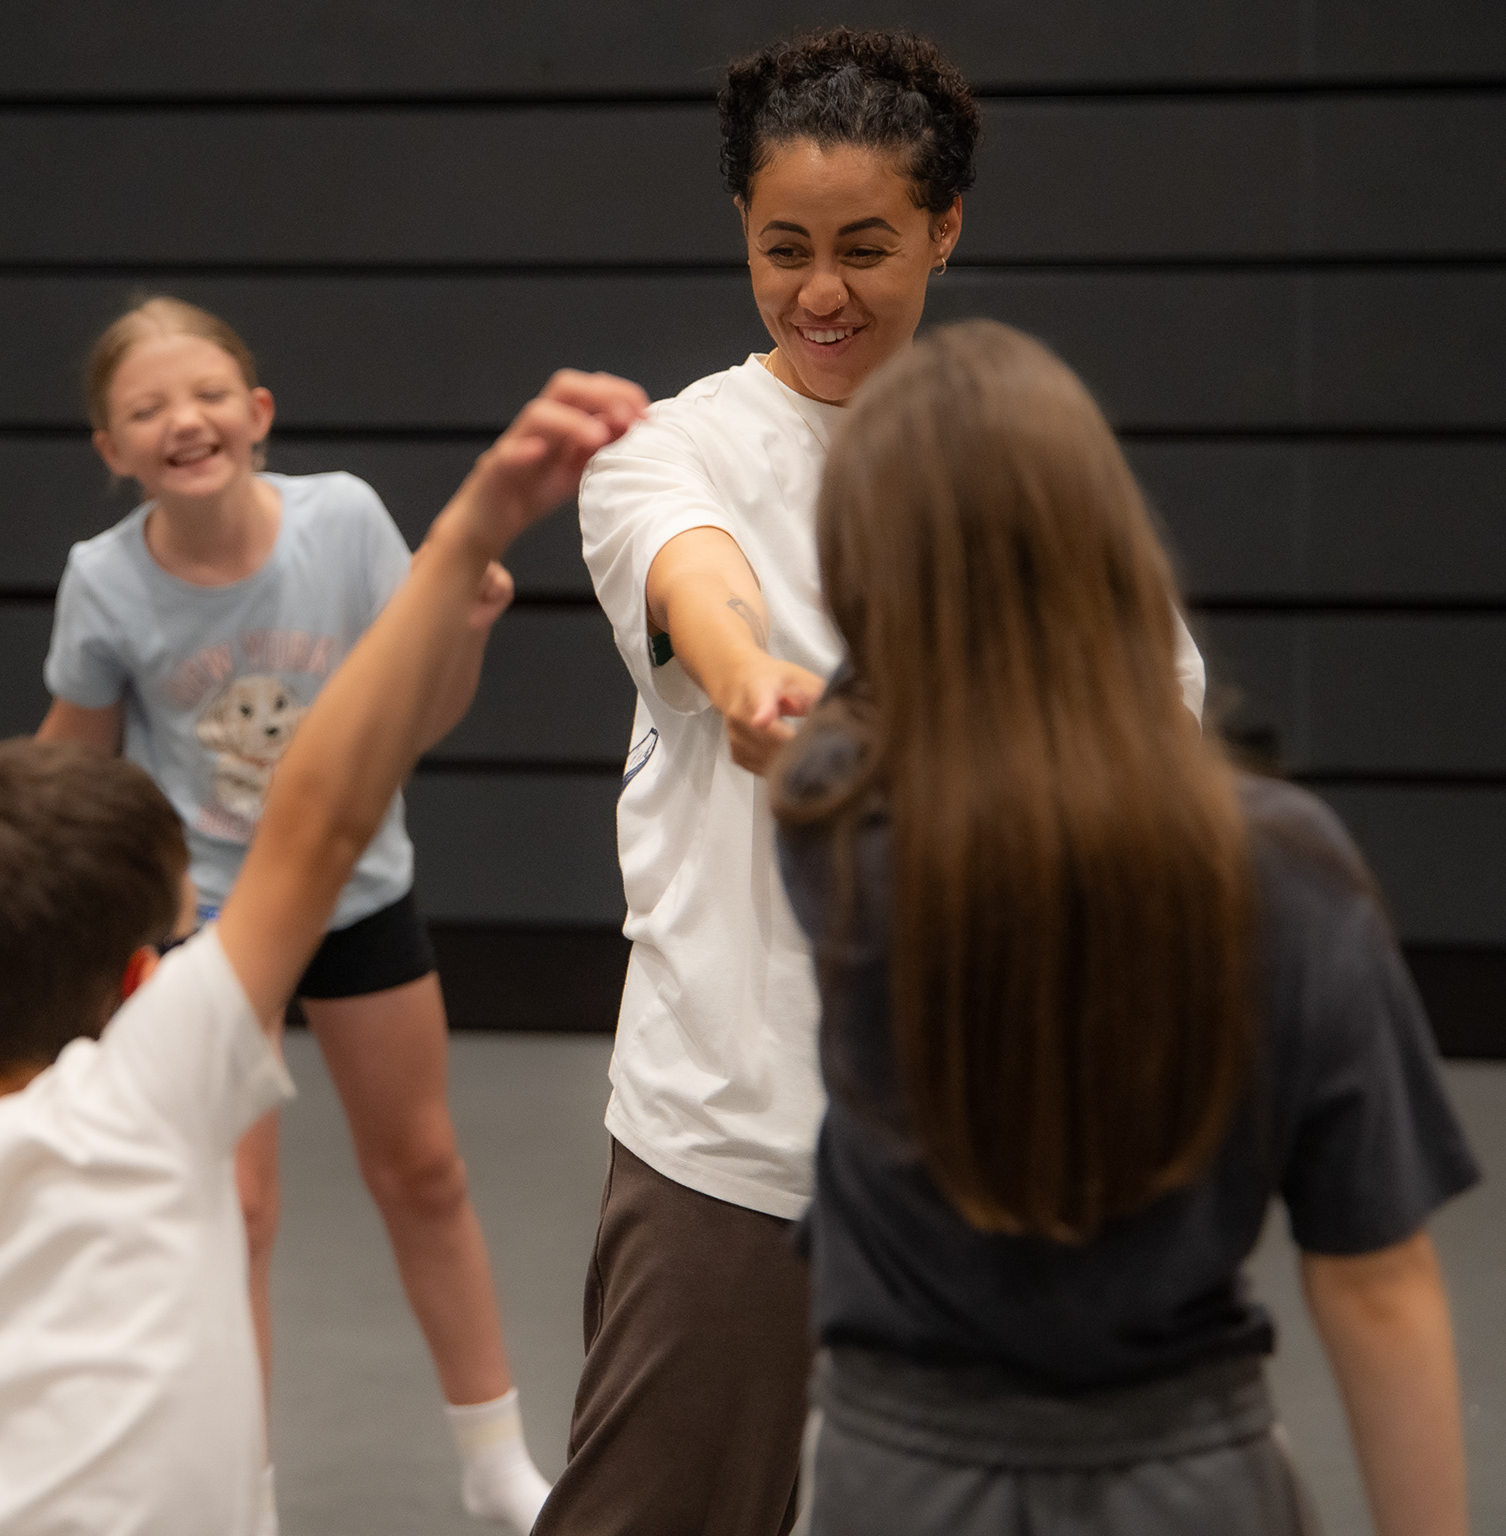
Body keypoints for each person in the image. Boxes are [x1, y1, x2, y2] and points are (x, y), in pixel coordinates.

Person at [0, 369, 649, 1536]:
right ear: (142, 975)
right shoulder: (155, 1109)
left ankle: (490, 1458)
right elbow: (318, 815)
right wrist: (474, 524)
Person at [550, 29, 1203, 1534]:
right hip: (734, 1123)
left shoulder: (1029, 468)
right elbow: (695, 588)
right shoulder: (669, 449)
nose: (819, 292)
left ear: (945, 228)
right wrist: (753, 679)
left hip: (992, 1146)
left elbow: (1151, 717)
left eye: (865, 247)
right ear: (742, 233)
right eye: (783, 249)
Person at [771, 320, 1476, 1536]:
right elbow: (1380, 1283)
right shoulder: (1293, 871)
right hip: (1188, 1486)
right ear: (1110, 550)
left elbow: (861, 704)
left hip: (897, 1486)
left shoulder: (833, 824)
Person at [35, 297, 553, 1528]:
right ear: (111, 452)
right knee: (241, 1212)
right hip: (209, 918)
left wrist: (466, 636)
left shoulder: (346, 523)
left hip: (357, 886)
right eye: (145, 410)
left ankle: (495, 1466)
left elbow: (412, 720)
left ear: (258, 415)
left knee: (423, 1168)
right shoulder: (103, 585)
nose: (183, 421)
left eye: (206, 394)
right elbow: (78, 766)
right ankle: (242, 1498)